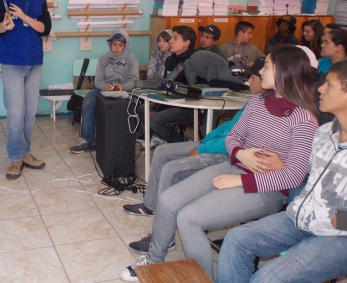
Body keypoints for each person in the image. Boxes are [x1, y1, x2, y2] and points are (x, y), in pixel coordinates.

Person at [120, 46, 319, 281]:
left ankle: (202, 278)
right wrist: (240, 154)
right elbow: (233, 137)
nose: (260, 71)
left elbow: (294, 176)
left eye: (266, 66)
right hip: (235, 167)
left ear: (284, 72)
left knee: (189, 218)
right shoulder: (257, 103)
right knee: (168, 199)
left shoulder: (304, 118)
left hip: (267, 188)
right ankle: (153, 260)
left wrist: (240, 180)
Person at [216, 61, 347, 283]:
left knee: (267, 279)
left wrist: (334, 220)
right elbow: (308, 176)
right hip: (301, 219)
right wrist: (283, 166)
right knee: (236, 239)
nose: (320, 89)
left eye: (329, 85)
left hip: (339, 237)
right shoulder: (325, 133)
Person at [121, 57, 267, 255]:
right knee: (163, 152)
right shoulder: (256, 102)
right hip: (215, 145)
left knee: (171, 170)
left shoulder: (267, 110)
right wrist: (204, 143)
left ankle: (165, 238)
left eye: (253, 78)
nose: (248, 81)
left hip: (224, 155)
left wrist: (204, 148)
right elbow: (228, 129)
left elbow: (232, 141)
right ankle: (150, 206)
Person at [0, 0, 52, 180]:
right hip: (12, 62)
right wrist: (4, 25)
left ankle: (26, 153)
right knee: (16, 112)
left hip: (34, 62)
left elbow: (45, 29)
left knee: (30, 112)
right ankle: (15, 157)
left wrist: (25, 18)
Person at [69, 29, 139, 154]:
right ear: (110, 44)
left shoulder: (131, 58)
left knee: (119, 107)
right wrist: (104, 86)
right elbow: (98, 81)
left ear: (125, 45)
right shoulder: (104, 58)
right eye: (114, 44)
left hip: (124, 91)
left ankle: (120, 141)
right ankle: (89, 141)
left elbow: (134, 81)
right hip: (104, 90)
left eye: (120, 45)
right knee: (88, 100)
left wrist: (122, 87)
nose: (117, 48)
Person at [139, 26, 197, 146]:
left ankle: (183, 144)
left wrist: (156, 112)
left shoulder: (195, 59)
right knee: (141, 109)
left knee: (154, 120)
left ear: (186, 43)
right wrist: (155, 110)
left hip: (189, 107)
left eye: (175, 38)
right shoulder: (170, 59)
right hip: (171, 101)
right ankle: (161, 137)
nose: (170, 41)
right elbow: (168, 87)